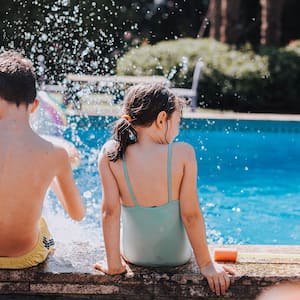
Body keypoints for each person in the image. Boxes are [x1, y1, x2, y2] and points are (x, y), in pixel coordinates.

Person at [94, 83, 235, 296]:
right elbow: (191, 216)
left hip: (134, 255)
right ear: (162, 119)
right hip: (176, 256)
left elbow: (109, 213)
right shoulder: (183, 154)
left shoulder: (110, 153)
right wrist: (206, 264)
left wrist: (114, 264)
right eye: (177, 121)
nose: (178, 129)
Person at [0, 50, 85, 269]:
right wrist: (53, 180)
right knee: (43, 224)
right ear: (35, 105)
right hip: (25, 256)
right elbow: (77, 214)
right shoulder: (55, 154)